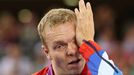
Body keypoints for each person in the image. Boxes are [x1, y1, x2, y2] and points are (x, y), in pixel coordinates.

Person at [33, 0, 122, 75]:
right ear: (47, 52)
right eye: (60, 46)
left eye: (76, 41)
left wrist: (88, 43)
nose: (72, 51)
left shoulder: (99, 71)